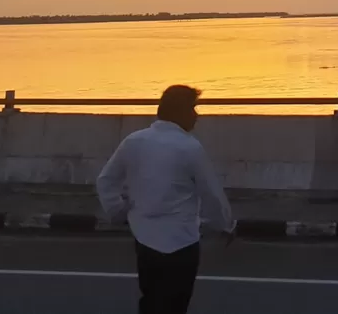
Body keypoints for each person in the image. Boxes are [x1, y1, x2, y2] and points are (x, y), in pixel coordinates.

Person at [97, 84, 235, 314]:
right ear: (180, 112)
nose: (196, 116)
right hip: (182, 241)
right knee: (175, 305)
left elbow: (106, 181)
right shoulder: (190, 148)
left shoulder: (134, 141)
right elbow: (211, 194)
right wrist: (224, 225)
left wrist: (119, 212)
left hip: (145, 238)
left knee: (151, 300)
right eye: (193, 109)